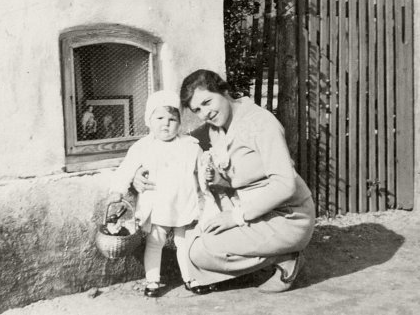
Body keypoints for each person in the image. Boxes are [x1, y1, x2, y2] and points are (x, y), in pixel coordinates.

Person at [133, 70, 315, 294]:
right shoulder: (214, 129)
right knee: (193, 245)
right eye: (197, 110)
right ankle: (270, 253)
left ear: (225, 91)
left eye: (207, 102)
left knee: (199, 252)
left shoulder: (261, 123)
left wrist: (235, 217)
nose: (205, 113)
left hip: (287, 216)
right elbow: (174, 143)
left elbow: (284, 184)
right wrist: (140, 169)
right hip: (253, 211)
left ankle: (286, 257)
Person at [108, 90, 210, 298]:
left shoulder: (190, 145)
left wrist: (206, 192)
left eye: (172, 119)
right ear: (149, 120)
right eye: (160, 118)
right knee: (156, 242)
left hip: (183, 203)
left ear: (179, 122)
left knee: (185, 242)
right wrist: (118, 190)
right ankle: (153, 280)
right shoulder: (144, 146)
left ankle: (190, 278)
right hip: (159, 204)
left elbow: (201, 168)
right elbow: (127, 168)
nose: (166, 124)